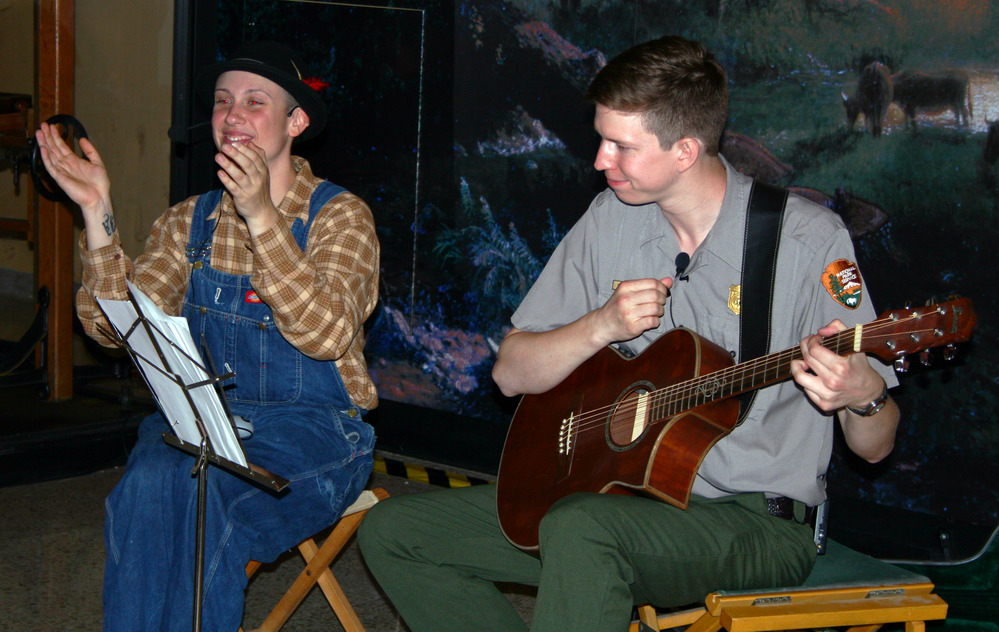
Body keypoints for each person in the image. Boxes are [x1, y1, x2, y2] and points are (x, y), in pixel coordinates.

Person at [358, 35, 900, 632]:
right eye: (600, 139)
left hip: (754, 523)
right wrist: (601, 325)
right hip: (616, 495)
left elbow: (874, 445)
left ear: (686, 151)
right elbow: (510, 374)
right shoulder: (610, 218)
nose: (599, 160)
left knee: (580, 528)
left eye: (621, 145)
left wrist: (861, 394)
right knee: (395, 533)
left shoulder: (809, 241)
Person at [35, 41, 379, 632]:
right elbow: (113, 328)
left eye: (254, 101)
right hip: (202, 421)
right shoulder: (187, 222)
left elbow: (327, 334)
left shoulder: (340, 217)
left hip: (315, 433)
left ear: (296, 122)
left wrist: (263, 219)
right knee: (146, 488)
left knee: (206, 505)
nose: (233, 115)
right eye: (223, 102)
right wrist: (97, 213)